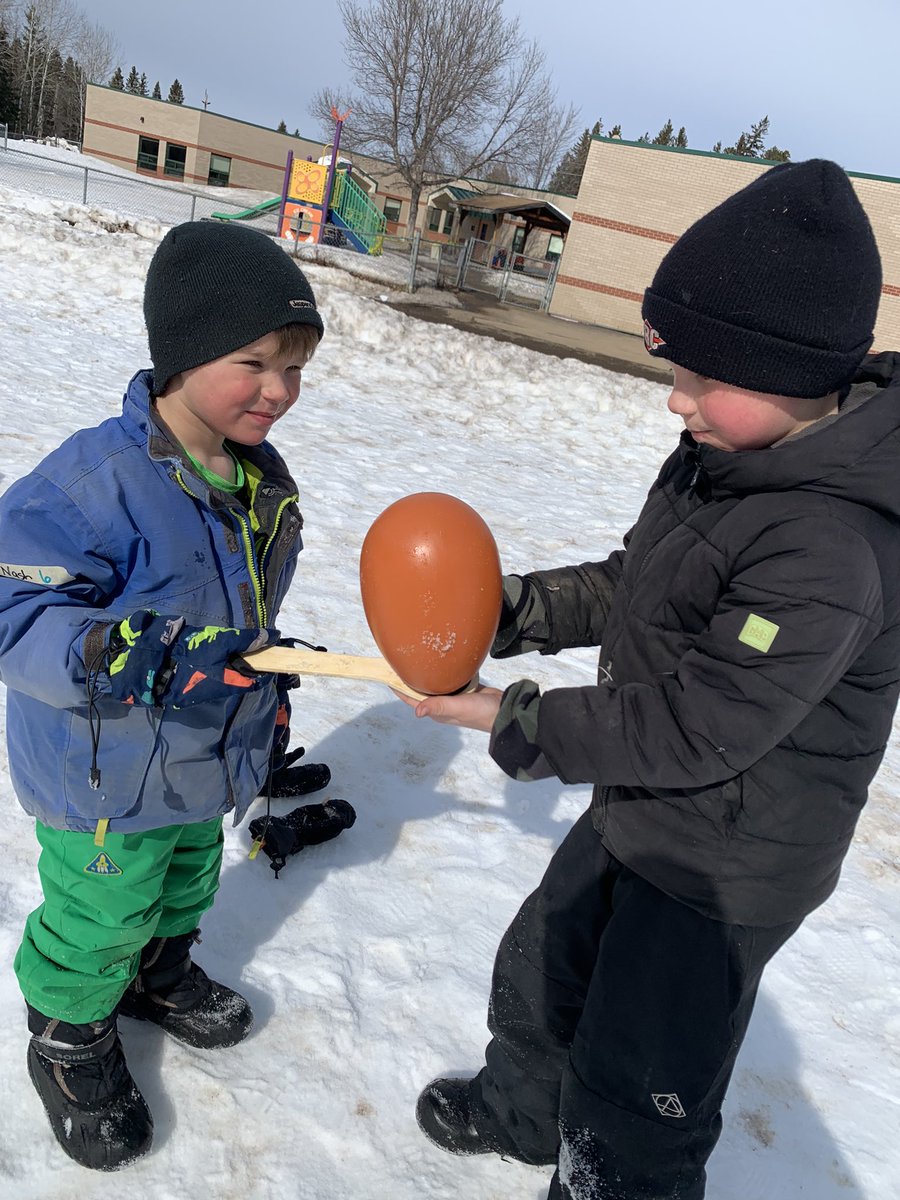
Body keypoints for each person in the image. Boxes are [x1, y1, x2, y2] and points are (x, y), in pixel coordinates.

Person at [400, 159, 900, 1198]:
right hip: (648, 803)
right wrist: (516, 611)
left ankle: (607, 1178)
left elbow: (703, 722)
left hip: (726, 865)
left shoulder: (829, 546)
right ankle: (524, 1110)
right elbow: (641, 584)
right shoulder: (730, 456)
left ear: (793, 372)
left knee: (642, 1087)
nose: (673, 400)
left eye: (701, 376)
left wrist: (516, 718)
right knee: (544, 966)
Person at [0, 220, 329, 1171]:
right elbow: (15, 611)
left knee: (187, 879)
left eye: (296, 366)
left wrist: (258, 667)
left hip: (201, 754)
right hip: (105, 775)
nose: (281, 390)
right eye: (256, 361)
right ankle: (67, 1036)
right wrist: (132, 651)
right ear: (183, 354)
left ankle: (158, 974)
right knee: (101, 910)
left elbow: (233, 605)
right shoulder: (95, 482)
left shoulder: (254, 480)